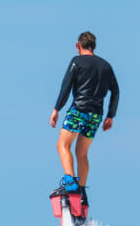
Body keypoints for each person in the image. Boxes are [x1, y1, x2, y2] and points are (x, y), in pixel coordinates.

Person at [49, 31, 119, 206]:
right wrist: (110, 115)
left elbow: (66, 86)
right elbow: (116, 91)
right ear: (93, 46)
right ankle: (81, 194)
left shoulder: (77, 61)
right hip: (96, 115)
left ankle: (71, 182)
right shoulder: (106, 66)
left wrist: (57, 109)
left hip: (79, 110)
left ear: (77, 45)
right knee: (82, 153)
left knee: (62, 145)